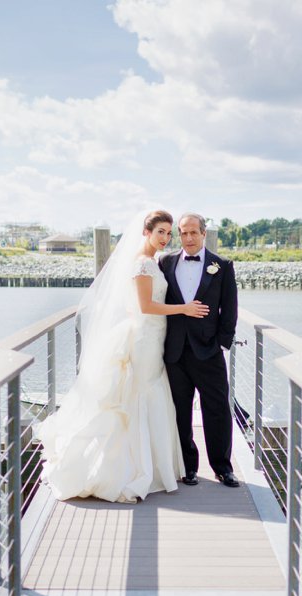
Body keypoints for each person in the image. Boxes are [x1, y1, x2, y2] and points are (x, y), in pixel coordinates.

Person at [35, 210, 209, 502]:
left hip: (154, 335)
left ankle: (156, 464)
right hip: (145, 337)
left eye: (169, 233)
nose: (166, 238)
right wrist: (184, 308)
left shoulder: (153, 262)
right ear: (146, 232)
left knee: (150, 393)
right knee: (142, 394)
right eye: (161, 232)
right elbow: (145, 306)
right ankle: (135, 467)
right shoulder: (141, 265)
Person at [159, 213, 240, 488]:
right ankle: (188, 467)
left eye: (194, 232)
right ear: (178, 235)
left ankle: (223, 467)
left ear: (204, 233)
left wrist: (222, 342)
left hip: (209, 350)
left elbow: (229, 309)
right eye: (183, 233)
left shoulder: (222, 265)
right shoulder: (165, 263)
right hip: (175, 351)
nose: (189, 238)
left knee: (217, 409)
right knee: (180, 411)